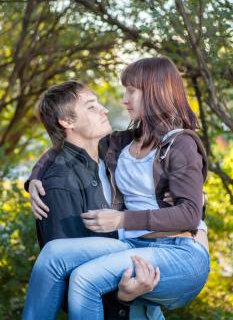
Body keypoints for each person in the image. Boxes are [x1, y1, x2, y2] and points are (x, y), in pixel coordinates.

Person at [23, 57, 210, 320]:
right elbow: (63, 148)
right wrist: (34, 178)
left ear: (155, 91)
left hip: (177, 251)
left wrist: (122, 218)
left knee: (84, 280)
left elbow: (191, 214)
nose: (123, 99)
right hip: (134, 246)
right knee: (53, 254)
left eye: (131, 91)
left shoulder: (180, 144)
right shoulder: (123, 142)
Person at [24, 80, 160, 320]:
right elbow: (67, 276)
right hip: (116, 311)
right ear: (67, 122)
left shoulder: (113, 153)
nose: (104, 109)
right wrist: (123, 296)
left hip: (149, 310)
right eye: (91, 106)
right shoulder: (59, 183)